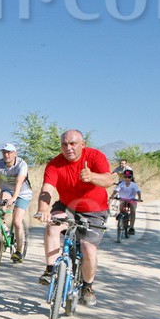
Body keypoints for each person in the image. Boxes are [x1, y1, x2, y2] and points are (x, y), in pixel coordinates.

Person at [35, 129, 114, 306]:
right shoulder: (55, 164)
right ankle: (50, 270)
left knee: (87, 248)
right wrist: (43, 208)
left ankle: (87, 287)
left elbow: (108, 180)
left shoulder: (95, 156)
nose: (68, 148)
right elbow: (47, 189)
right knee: (52, 227)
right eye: (64, 144)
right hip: (67, 206)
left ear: (82, 144)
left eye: (73, 143)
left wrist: (92, 176)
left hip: (94, 210)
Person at [111, 169, 142, 234]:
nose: (127, 179)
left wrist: (139, 198)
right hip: (123, 199)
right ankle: (121, 218)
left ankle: (131, 227)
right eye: (125, 177)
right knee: (121, 209)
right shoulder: (121, 184)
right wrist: (112, 195)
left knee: (133, 211)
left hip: (132, 199)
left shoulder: (134, 185)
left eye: (129, 177)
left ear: (131, 177)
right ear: (123, 177)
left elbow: (138, 191)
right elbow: (116, 190)